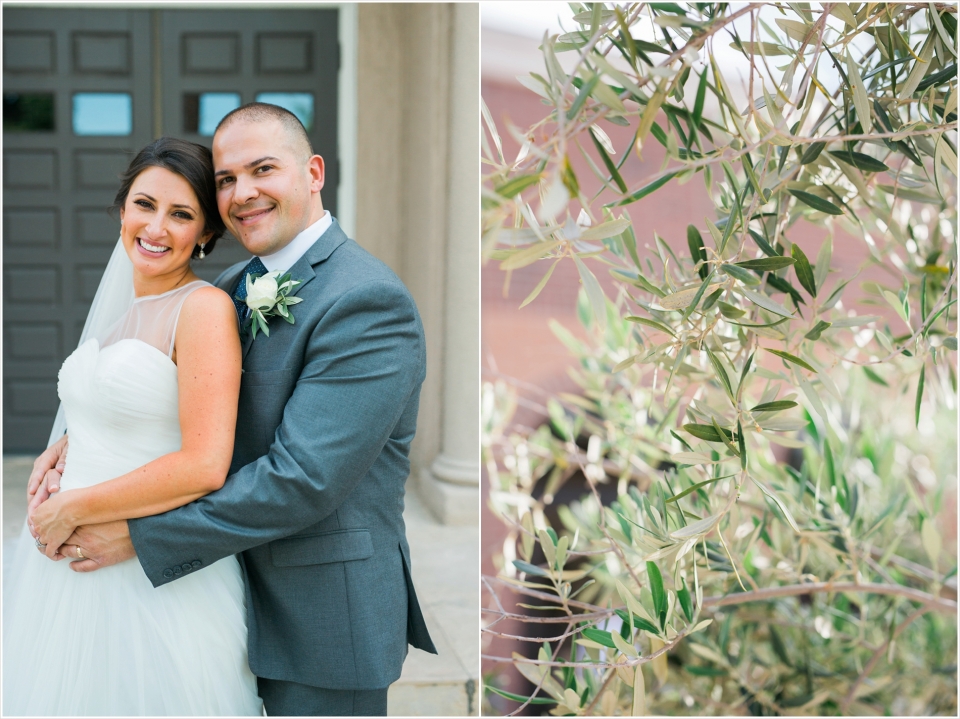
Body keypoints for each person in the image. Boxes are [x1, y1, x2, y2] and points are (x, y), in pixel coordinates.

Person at [27, 103, 436, 717]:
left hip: (317, 614)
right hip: (217, 591)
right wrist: (73, 447)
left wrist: (138, 535)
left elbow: (303, 480)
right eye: (225, 179)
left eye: (262, 169)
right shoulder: (231, 287)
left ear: (314, 171)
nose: (242, 192)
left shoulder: (368, 300)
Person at [4, 137, 263, 715]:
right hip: (65, 571)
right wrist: (71, 442)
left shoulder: (202, 309)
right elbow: (133, 410)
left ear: (206, 235)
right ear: (122, 209)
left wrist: (74, 507)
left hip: (147, 572)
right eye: (144, 204)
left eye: (182, 214)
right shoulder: (120, 315)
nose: (156, 227)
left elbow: (204, 463)